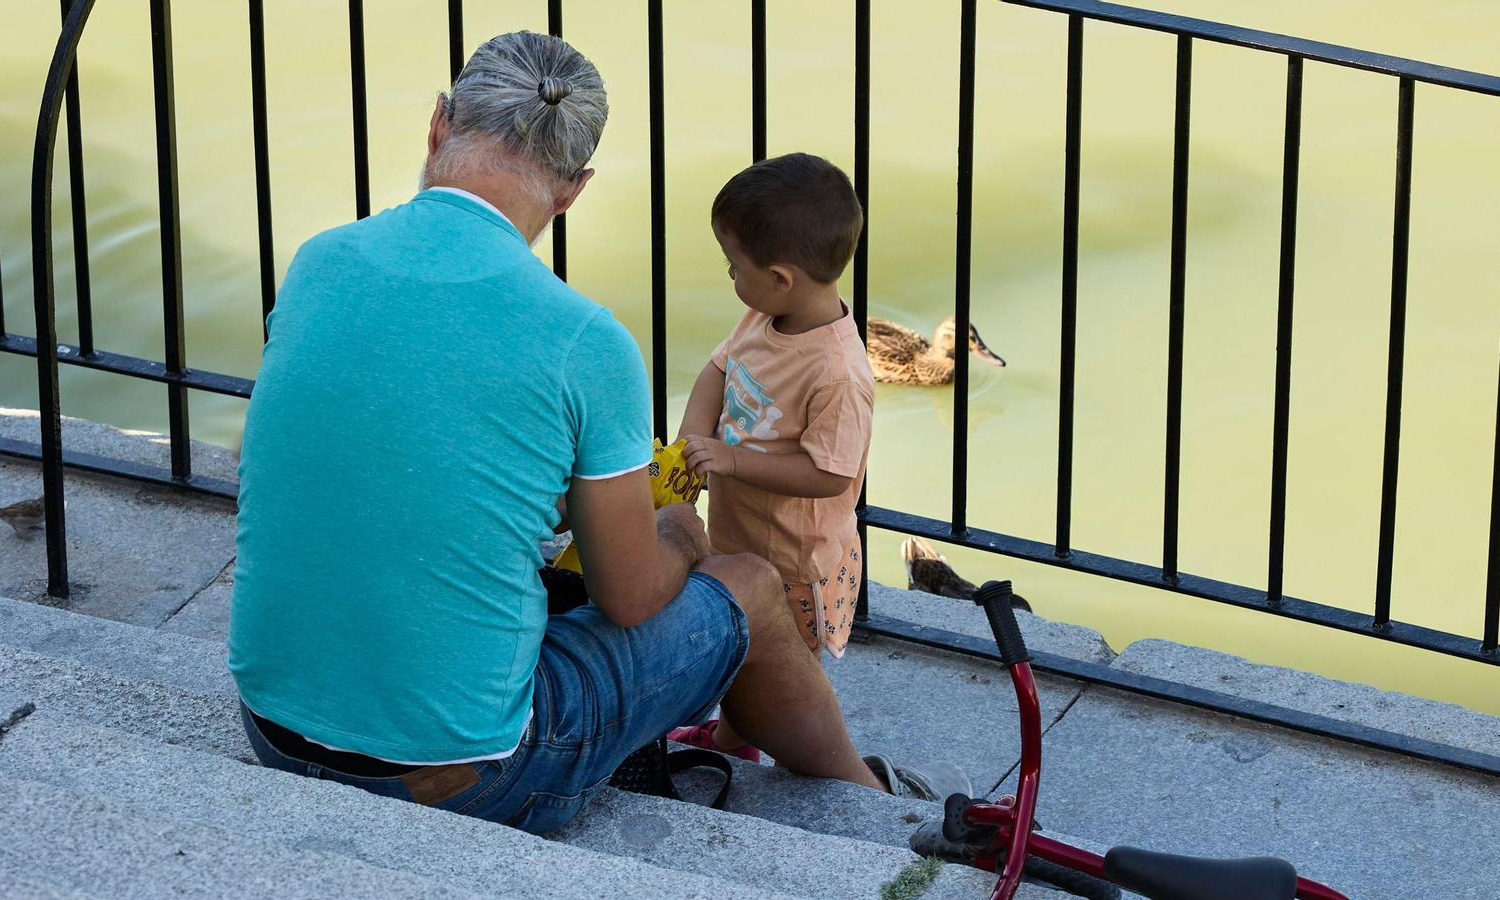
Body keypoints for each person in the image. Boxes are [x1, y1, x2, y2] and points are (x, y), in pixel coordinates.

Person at [228, 32, 963, 836]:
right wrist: (681, 533)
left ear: (439, 125)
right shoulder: (584, 341)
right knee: (749, 584)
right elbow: (631, 593)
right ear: (574, 189)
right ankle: (874, 812)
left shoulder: (319, 261)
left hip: (272, 727)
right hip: (463, 776)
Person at [667, 154, 884, 770]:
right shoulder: (765, 315)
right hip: (746, 534)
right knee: (744, 644)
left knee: (780, 659)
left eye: (735, 266)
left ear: (782, 277)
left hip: (798, 555)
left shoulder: (838, 372)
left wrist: (731, 462)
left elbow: (831, 473)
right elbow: (719, 368)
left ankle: (780, 748)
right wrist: (692, 440)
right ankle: (738, 737)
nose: (729, 276)